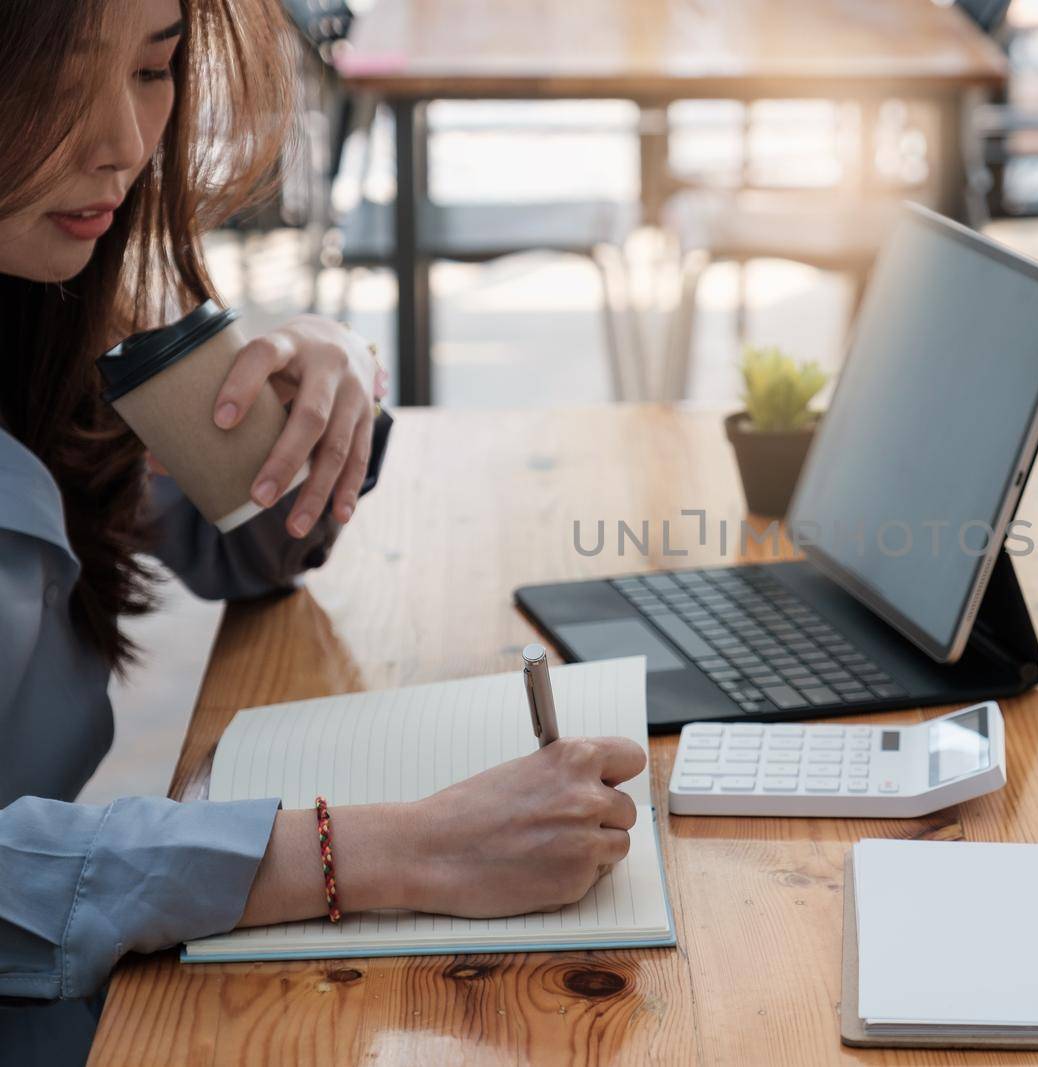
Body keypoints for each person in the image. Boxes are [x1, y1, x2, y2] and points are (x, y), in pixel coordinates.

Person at [0, 2, 646, 1061]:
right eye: (63, 77)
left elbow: (232, 546)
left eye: (155, 71)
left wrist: (310, 382)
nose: (122, 141)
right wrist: (400, 848)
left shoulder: (43, 310)